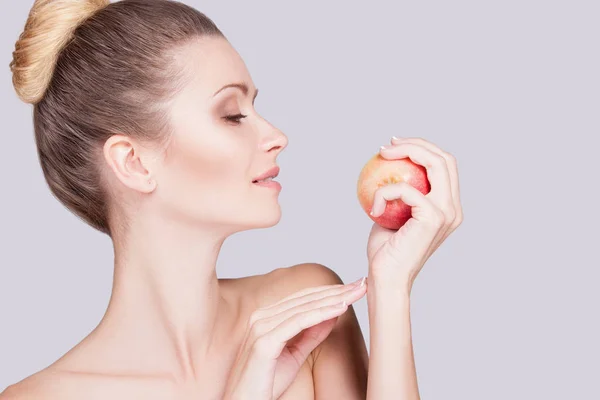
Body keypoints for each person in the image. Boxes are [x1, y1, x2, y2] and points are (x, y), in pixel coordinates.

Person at [3, 0, 463, 399]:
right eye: (232, 114)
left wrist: (390, 289)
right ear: (135, 163)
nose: (277, 136)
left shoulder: (309, 311)